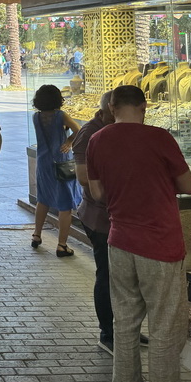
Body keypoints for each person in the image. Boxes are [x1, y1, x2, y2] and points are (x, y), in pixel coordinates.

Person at [88, 85, 191, 382]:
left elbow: (96, 192)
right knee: (165, 326)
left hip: (119, 241)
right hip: (159, 243)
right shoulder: (160, 138)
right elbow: (189, 186)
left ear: (112, 106)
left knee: (125, 319)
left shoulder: (97, 140)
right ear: (144, 107)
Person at [72, 91, 119, 353]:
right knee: (107, 274)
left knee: (122, 277)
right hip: (99, 217)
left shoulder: (121, 130)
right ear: (110, 109)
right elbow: (82, 178)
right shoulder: (90, 133)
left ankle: (124, 329)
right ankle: (107, 332)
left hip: (119, 215)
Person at [30, 84, 81, 257]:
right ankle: (62, 245)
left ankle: (36, 235)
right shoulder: (61, 116)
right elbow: (79, 130)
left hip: (43, 162)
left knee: (42, 199)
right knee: (65, 205)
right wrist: (69, 142)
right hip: (61, 163)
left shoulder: (36, 117)